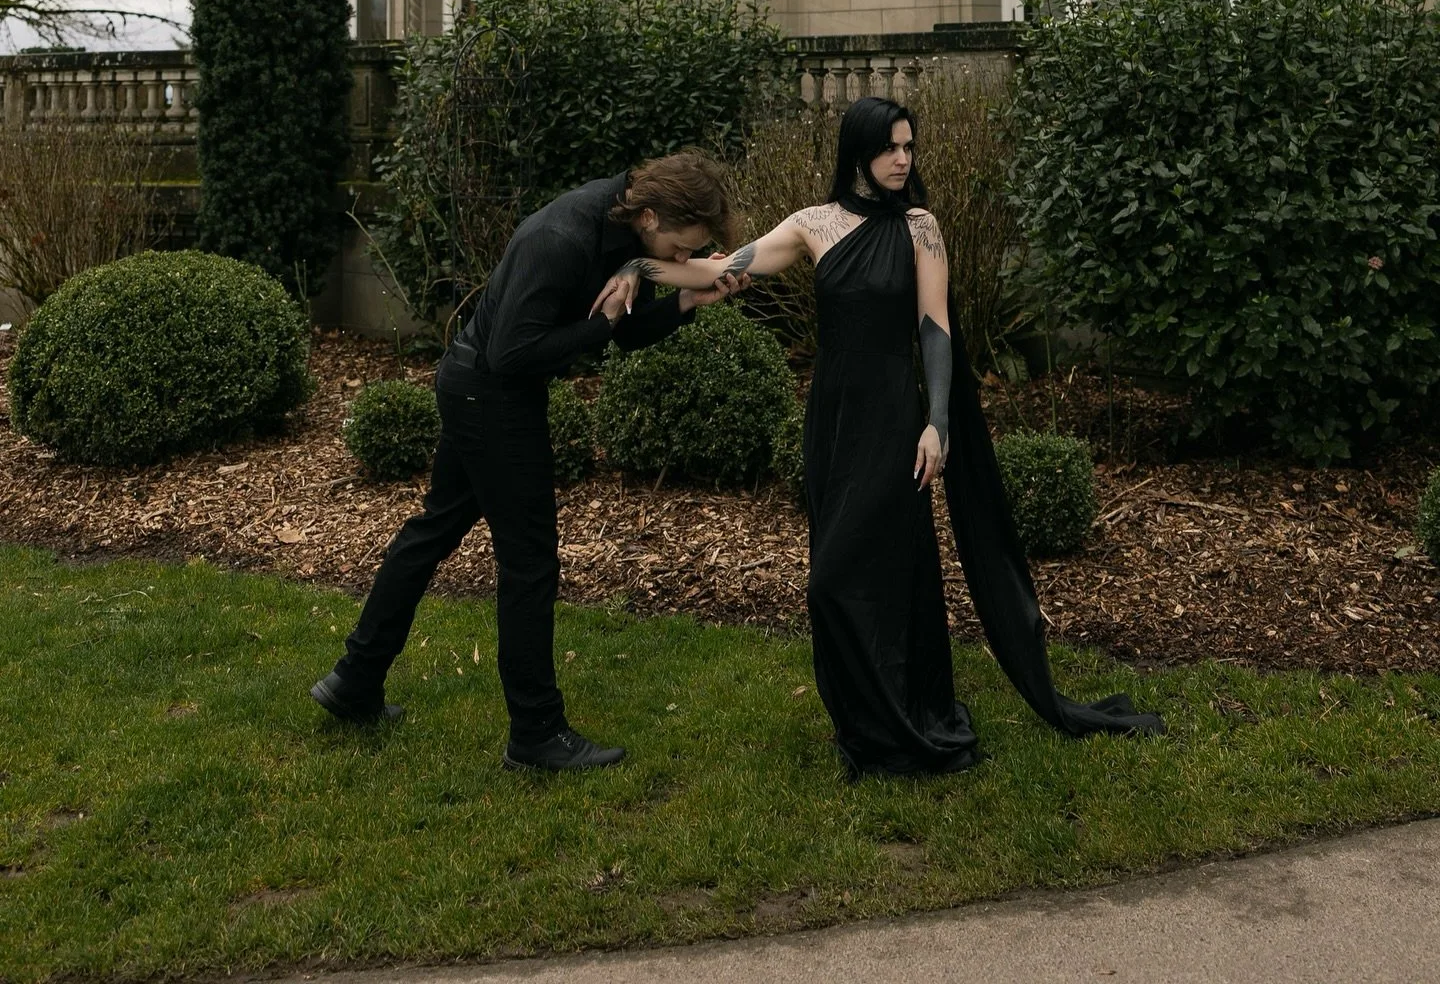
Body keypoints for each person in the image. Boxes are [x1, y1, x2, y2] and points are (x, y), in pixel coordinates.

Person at [599, 97, 1163, 777]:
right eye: (891, 147)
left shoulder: (921, 229)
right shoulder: (813, 224)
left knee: (853, 579)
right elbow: (722, 269)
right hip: (834, 421)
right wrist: (643, 270)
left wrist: (939, 421)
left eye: (910, 147)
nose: (904, 159)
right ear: (860, 151)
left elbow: (934, 327)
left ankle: (910, 718)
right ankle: (869, 727)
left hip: (895, 419)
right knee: (849, 574)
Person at [311, 151, 747, 771]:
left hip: (478, 386)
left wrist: (684, 303)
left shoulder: (620, 219)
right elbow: (515, 353)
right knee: (529, 560)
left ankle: (354, 681)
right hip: (490, 393)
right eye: (682, 248)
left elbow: (619, 331)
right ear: (650, 216)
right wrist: (608, 318)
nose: (683, 262)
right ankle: (536, 732)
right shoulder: (561, 239)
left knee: (432, 532)